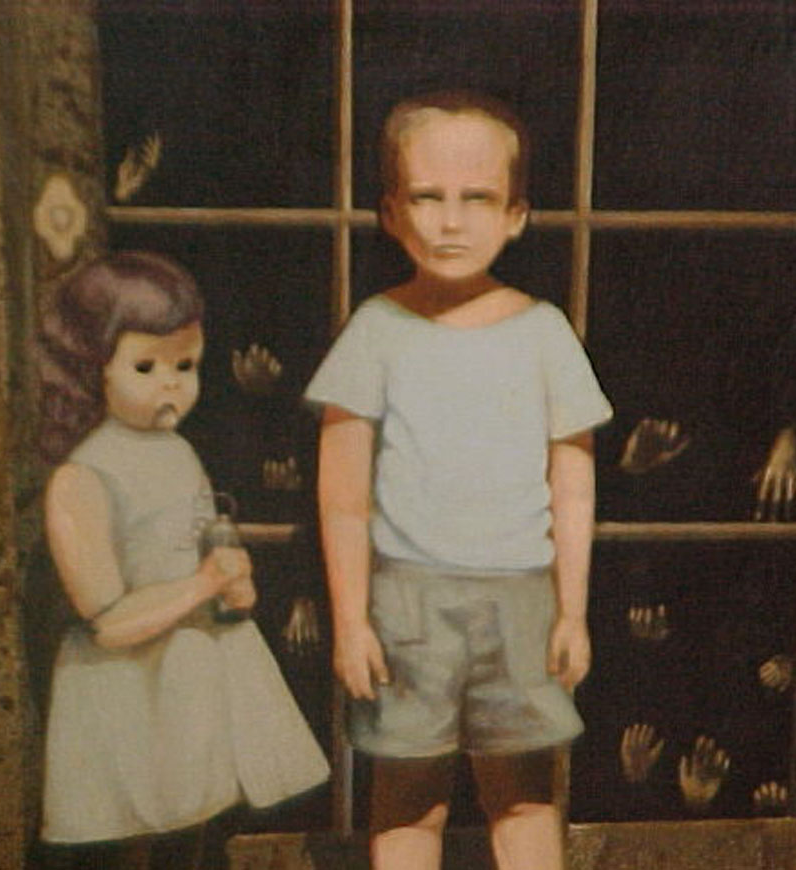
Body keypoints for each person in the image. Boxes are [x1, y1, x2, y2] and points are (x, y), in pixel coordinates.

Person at [306, 91, 613, 870]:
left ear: (515, 215)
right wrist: (351, 622)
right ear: (390, 213)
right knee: (410, 797)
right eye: (426, 197)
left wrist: (572, 612)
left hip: (520, 600)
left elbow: (574, 486)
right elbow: (341, 498)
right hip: (408, 602)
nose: (450, 222)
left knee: (524, 794)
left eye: (476, 199)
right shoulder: (377, 330)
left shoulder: (543, 333)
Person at [37, 251, 329, 869]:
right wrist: (201, 586)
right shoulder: (83, 476)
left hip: (190, 678)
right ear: (92, 368)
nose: (172, 383)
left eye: (186, 366)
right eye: (146, 366)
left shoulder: (176, 452)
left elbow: (198, 543)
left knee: (197, 826)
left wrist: (233, 587)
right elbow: (106, 620)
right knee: (136, 830)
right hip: (126, 687)